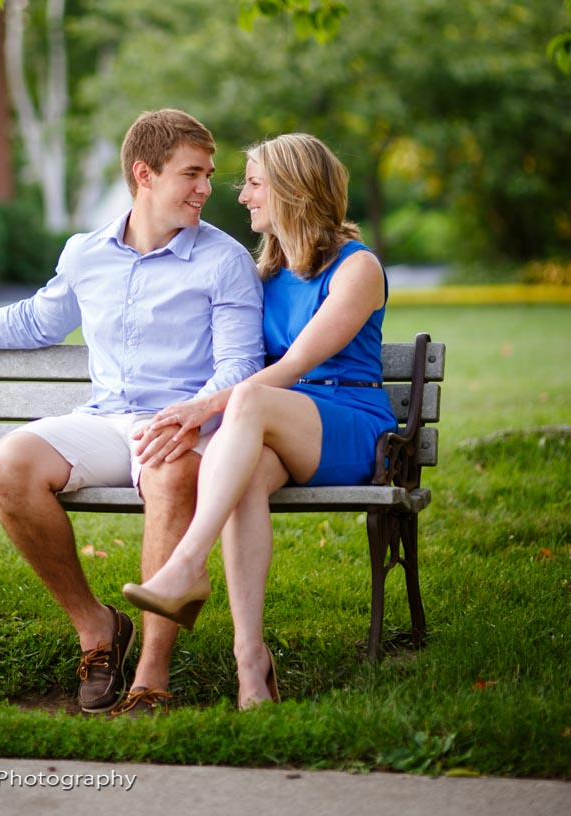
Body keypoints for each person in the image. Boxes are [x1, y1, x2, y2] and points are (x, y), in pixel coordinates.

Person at [0, 109, 263, 717]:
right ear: (145, 173)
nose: (206, 188)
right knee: (8, 463)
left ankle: (152, 674)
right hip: (108, 418)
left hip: (185, 426)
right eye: (192, 173)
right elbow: (37, 320)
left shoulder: (223, 260)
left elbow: (241, 365)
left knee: (172, 474)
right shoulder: (87, 253)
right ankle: (97, 629)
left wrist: (191, 414)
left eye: (210, 174)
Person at [123, 133, 397, 709]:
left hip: (349, 423)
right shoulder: (266, 272)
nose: (243, 197)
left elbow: (298, 363)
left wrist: (206, 407)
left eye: (253, 183)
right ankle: (251, 663)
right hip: (278, 422)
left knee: (244, 405)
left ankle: (186, 568)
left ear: (293, 190)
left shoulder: (358, 267)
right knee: (242, 474)